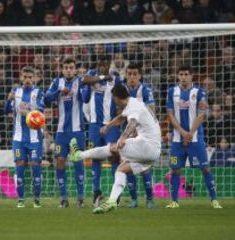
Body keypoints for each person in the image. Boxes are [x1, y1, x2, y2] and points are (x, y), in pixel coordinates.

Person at [69, 84, 161, 214]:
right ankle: (112, 201)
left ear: (117, 98)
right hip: (153, 152)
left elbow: (132, 122)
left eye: (113, 98)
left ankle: (79, 155)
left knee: (113, 148)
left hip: (147, 145)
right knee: (121, 170)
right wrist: (108, 126)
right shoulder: (133, 103)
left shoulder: (133, 106)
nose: (113, 101)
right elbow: (121, 118)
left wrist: (123, 137)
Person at [166, 65, 222, 209]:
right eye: (181, 74)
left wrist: (190, 133)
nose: (183, 77)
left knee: (205, 168)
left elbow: (201, 114)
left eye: (186, 74)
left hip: (195, 139)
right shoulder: (172, 91)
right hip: (177, 140)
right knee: (175, 169)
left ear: (191, 76)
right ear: (178, 76)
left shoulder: (199, 92)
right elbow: (170, 114)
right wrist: (182, 132)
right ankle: (174, 201)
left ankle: (214, 200)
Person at [81, 55, 122, 207]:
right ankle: (96, 192)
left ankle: (115, 194)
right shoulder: (91, 76)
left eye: (106, 64)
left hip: (111, 125)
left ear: (110, 64)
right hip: (94, 126)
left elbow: (122, 100)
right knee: (95, 157)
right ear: (98, 64)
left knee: (114, 156)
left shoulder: (115, 78)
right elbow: (85, 98)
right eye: (101, 64)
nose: (104, 66)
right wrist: (101, 78)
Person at [45, 57, 85, 208]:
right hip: (61, 132)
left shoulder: (80, 81)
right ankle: (63, 198)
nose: (69, 70)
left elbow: (86, 99)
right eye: (66, 67)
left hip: (77, 131)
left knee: (77, 161)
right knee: (60, 161)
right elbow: (47, 98)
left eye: (71, 67)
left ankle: (80, 198)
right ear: (62, 70)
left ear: (75, 69)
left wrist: (78, 91)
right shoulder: (57, 82)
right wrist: (59, 92)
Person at [4, 66, 44, 208]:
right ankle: (21, 199)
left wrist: (26, 112)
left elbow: (40, 112)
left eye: (30, 77)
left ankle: (37, 199)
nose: (27, 80)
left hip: (35, 138)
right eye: (25, 77)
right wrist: (8, 101)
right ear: (21, 77)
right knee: (19, 165)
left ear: (34, 78)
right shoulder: (15, 92)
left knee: (35, 166)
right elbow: (6, 111)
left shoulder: (38, 92)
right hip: (18, 138)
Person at [123, 63, 156, 208]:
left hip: (143, 133)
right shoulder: (122, 90)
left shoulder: (146, 90)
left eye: (134, 74)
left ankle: (149, 199)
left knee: (145, 166)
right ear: (126, 75)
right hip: (127, 132)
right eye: (129, 74)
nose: (131, 77)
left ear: (139, 76)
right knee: (128, 164)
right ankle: (134, 199)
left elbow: (152, 111)